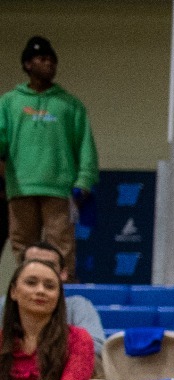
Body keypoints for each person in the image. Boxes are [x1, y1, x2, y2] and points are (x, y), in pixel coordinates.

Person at [0, 36, 96, 270]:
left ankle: (63, 298)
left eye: (52, 60)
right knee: (24, 249)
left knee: (62, 248)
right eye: (42, 59)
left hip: (60, 190)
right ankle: (27, 296)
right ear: (27, 65)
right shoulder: (9, 103)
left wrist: (83, 181)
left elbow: (85, 145)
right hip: (21, 188)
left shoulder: (70, 104)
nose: (50, 64)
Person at [0, 255, 92, 380]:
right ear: (14, 292)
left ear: (58, 296)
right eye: (31, 283)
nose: (40, 291)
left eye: (50, 286)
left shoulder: (78, 339)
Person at [11, 240, 102, 352]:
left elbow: (95, 349)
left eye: (49, 265)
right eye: (33, 263)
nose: (41, 269)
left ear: (63, 274)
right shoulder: (3, 306)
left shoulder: (78, 306)